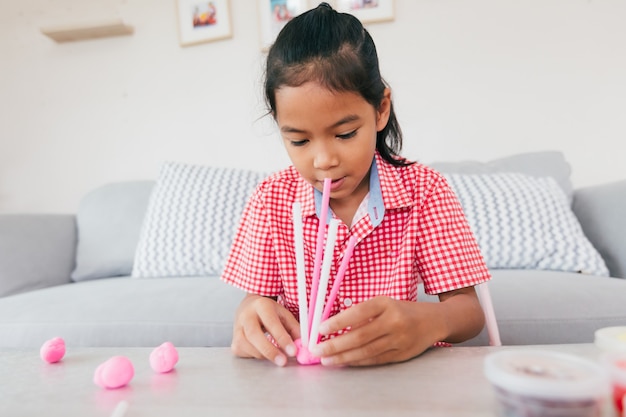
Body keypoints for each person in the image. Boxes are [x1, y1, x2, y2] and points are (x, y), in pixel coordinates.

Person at [221, 2, 491, 367]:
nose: (323, 161)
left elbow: (469, 312)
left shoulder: (424, 190)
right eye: (299, 141)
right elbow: (255, 302)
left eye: (345, 133)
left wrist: (431, 322)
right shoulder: (271, 201)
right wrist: (251, 314)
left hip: (400, 382)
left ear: (380, 109)